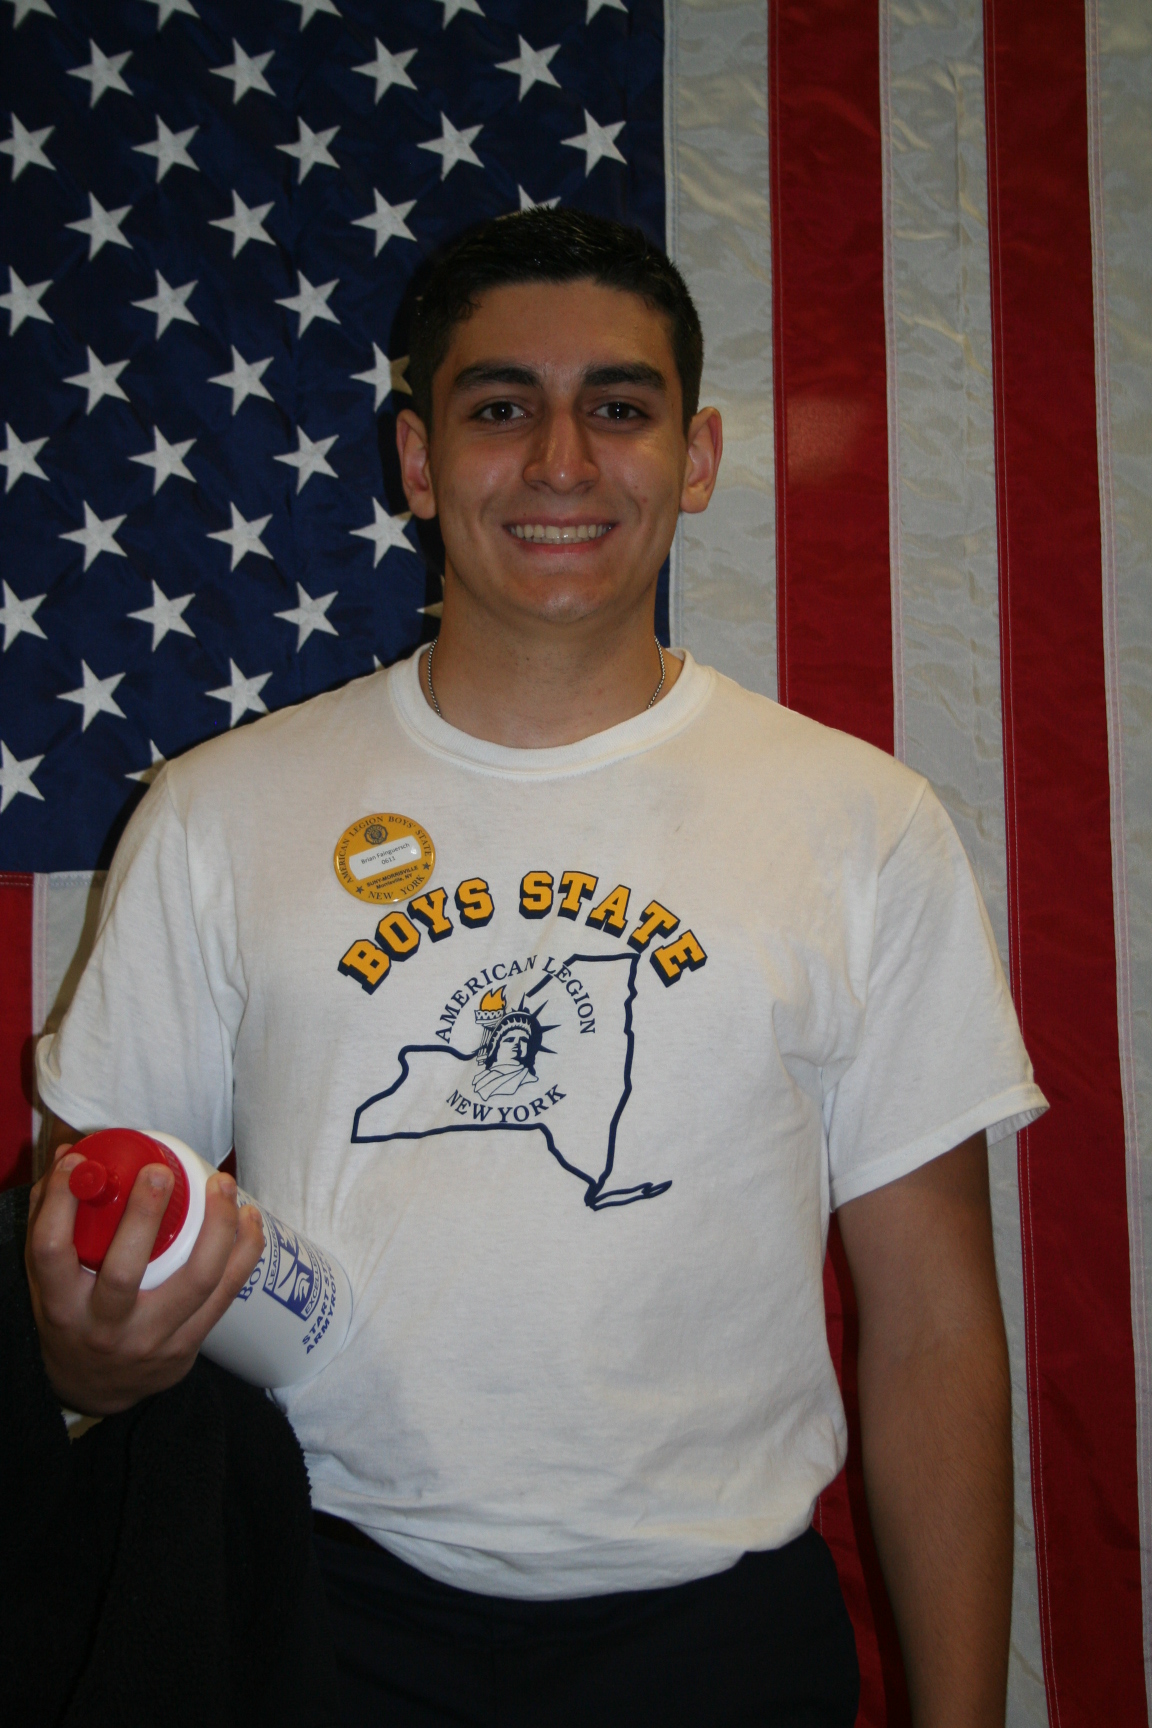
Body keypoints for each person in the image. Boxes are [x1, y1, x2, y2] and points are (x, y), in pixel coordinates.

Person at [26, 208, 1046, 1726]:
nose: (562, 462)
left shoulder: (862, 823)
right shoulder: (220, 812)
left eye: (618, 408)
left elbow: (936, 1327)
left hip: (719, 1644)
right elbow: (81, 1243)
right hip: (315, 1617)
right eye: (501, 408)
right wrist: (91, 1360)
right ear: (418, 460)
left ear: (695, 457)